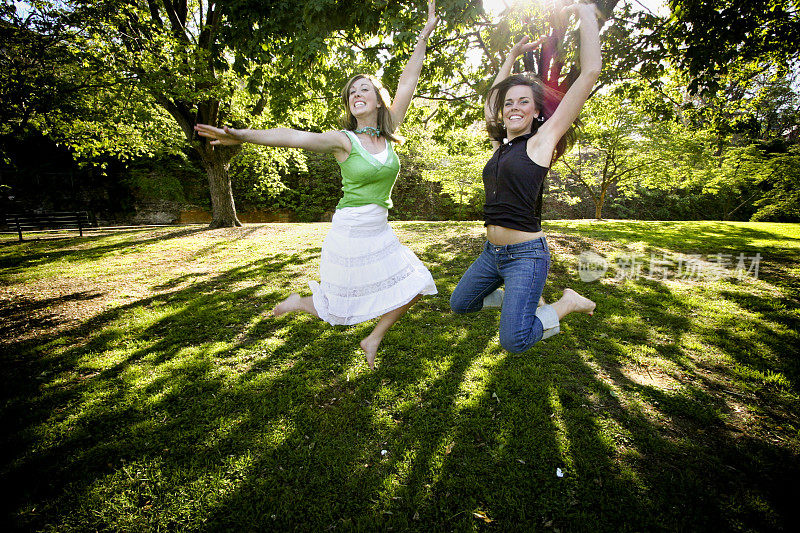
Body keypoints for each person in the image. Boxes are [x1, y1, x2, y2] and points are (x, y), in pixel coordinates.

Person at [195, 2, 440, 370]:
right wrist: (242, 135)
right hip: (351, 230)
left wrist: (424, 34)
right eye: (351, 93)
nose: (356, 94)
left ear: (377, 99)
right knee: (340, 312)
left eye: (363, 89)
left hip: (380, 229)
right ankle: (298, 302)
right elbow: (294, 137)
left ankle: (372, 338)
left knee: (418, 284)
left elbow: (408, 80)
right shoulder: (344, 141)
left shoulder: (391, 132)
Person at [449, 1, 600, 353]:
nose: (514, 107)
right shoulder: (501, 145)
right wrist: (512, 56)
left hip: (526, 254)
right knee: (461, 304)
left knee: (515, 341)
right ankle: (516, 300)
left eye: (523, 102)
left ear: (536, 111)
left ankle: (567, 302)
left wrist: (588, 14)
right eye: (509, 104)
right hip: (492, 253)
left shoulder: (543, 141)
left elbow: (590, 72)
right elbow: (492, 98)